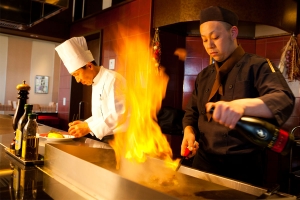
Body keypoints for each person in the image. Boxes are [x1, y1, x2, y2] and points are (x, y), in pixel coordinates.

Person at [180, 6, 295, 186]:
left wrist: (242, 106)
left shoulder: (258, 66)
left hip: (243, 168)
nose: (209, 45)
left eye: (215, 37)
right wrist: (189, 132)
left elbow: (283, 98)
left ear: (233, 32)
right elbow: (191, 113)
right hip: (203, 163)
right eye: (204, 39)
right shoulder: (203, 75)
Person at [55, 36, 127, 140]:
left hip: (120, 139)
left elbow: (119, 113)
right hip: (107, 138)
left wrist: (89, 127)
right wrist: (86, 123)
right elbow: (103, 114)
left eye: (77, 74)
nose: (77, 80)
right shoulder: (95, 81)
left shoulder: (113, 79)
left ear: (89, 66)